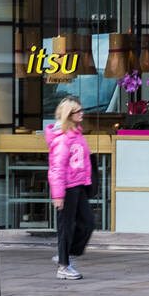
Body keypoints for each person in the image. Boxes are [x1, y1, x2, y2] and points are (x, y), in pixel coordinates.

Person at [47, 96, 93, 280]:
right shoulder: (62, 139)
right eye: (78, 112)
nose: (82, 114)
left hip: (79, 185)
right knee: (66, 227)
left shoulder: (77, 133)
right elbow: (56, 168)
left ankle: (65, 254)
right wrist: (58, 195)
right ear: (69, 114)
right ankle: (63, 266)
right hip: (66, 188)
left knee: (88, 222)